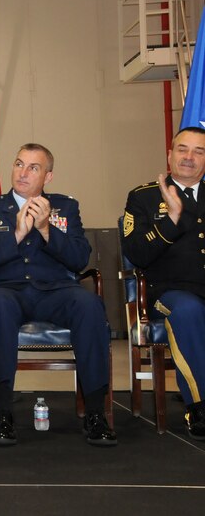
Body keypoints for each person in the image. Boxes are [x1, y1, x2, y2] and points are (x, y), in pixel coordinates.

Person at [0, 143, 116, 447]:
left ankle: (96, 413)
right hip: (5, 292)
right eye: (19, 164)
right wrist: (17, 234)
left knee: (89, 304)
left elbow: (79, 259)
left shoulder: (65, 207)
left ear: (48, 176)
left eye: (33, 168)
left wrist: (47, 229)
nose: (22, 173)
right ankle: (4, 414)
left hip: (55, 291)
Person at [121, 126, 205, 440]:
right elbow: (136, 253)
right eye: (183, 149)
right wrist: (170, 220)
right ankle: (199, 407)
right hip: (168, 292)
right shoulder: (143, 196)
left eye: (199, 151)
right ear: (169, 154)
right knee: (188, 311)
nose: (189, 157)